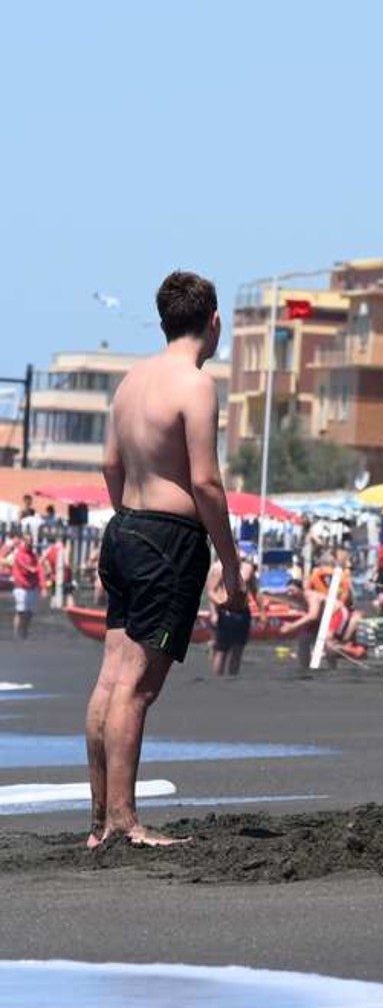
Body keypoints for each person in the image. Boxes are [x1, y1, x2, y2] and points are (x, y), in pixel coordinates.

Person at [87, 271, 246, 847]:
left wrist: (128, 521)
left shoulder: (131, 381)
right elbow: (205, 481)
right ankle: (127, 822)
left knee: (110, 680)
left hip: (125, 528)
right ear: (214, 322)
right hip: (167, 538)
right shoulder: (195, 384)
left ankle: (100, 819)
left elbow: (110, 465)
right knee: (136, 688)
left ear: (162, 321)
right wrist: (229, 563)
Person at [206, 553, 258, 677]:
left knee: (238, 649)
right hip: (225, 611)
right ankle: (216, 681)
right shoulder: (218, 568)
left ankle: (233, 680)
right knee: (221, 650)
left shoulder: (247, 569)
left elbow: (255, 591)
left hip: (243, 611)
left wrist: (262, 612)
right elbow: (211, 591)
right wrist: (215, 611)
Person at [4, 531, 42, 638]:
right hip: (20, 587)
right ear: (23, 541)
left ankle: (24, 633)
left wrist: (41, 584)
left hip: (32, 587)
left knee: (29, 613)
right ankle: (16, 634)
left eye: (31, 541)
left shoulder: (33, 555)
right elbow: (24, 566)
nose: (29, 543)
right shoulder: (19, 554)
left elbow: (39, 568)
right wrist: (32, 569)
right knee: (21, 611)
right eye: (27, 540)